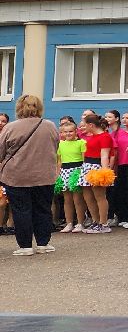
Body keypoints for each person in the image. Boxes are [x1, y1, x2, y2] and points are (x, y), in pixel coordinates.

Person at [0, 95, 61, 256]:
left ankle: (25, 245)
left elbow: (1, 151)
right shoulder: (50, 125)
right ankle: (43, 243)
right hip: (44, 175)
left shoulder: (10, 127)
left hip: (17, 175)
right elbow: (55, 146)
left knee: (21, 210)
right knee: (43, 208)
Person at [77, 112, 114, 234]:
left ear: (91, 125)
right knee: (88, 196)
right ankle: (95, 221)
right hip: (87, 166)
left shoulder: (105, 137)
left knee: (99, 196)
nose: (83, 127)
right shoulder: (91, 137)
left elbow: (104, 155)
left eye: (85, 125)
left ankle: (103, 223)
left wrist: (104, 172)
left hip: (97, 166)